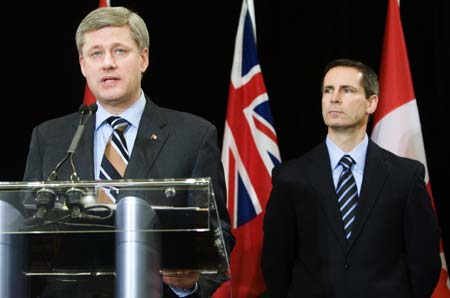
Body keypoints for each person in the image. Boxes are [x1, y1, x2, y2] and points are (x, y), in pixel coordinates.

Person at [23, 6, 235, 298]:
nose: (108, 63)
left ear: (144, 58)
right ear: (83, 65)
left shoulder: (194, 136)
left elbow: (217, 232)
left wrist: (190, 281)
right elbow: (26, 228)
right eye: (96, 54)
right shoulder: (49, 138)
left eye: (120, 51)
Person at [261, 58, 441, 297]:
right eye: (328, 90)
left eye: (347, 90)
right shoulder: (290, 177)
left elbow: (424, 264)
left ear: (371, 102)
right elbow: (275, 264)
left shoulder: (406, 177)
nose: (334, 98)